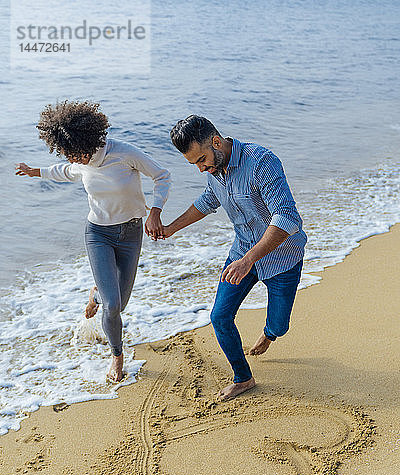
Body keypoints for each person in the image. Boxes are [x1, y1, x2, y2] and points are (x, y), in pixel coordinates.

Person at [15, 100, 170, 382]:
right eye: (69, 154)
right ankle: (117, 355)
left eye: (77, 154)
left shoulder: (123, 153)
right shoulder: (78, 161)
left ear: (90, 140)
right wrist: (34, 170)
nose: (74, 160)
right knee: (112, 306)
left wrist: (155, 212)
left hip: (131, 234)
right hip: (98, 234)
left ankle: (95, 294)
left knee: (118, 304)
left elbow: (162, 175)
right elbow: (62, 171)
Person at [162, 115, 307, 400]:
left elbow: (287, 218)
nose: (201, 168)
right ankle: (243, 378)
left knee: (279, 325)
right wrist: (170, 229)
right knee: (219, 316)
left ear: (216, 142)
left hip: (282, 257)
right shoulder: (214, 170)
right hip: (242, 252)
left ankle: (270, 332)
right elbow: (208, 200)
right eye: (194, 164)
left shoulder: (262, 163)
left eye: (202, 159)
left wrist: (249, 260)